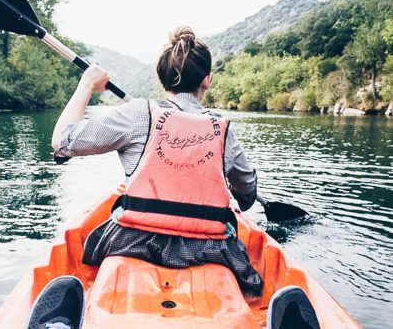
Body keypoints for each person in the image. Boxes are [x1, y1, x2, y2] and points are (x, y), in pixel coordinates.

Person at [28, 26, 319, 329]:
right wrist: (241, 191)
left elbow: (62, 141)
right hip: (209, 249)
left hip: (132, 240)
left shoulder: (139, 113)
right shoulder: (223, 129)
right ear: (207, 80)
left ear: (162, 79)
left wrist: (87, 83)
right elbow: (246, 195)